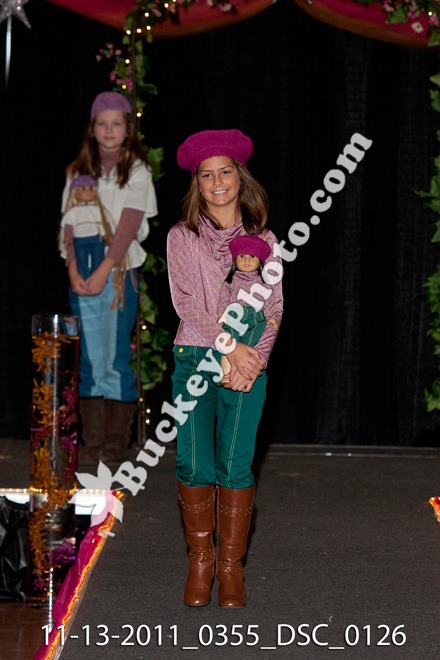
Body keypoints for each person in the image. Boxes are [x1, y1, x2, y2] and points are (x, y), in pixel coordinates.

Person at [167, 129, 283, 608]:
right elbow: (187, 304)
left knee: (235, 464)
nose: (217, 182)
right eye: (206, 175)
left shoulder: (266, 239)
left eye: (225, 172)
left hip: (247, 364)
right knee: (194, 462)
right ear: (197, 182)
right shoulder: (182, 236)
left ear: (240, 177)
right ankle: (201, 562)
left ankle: (231, 567)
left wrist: (254, 360)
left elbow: (274, 308)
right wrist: (229, 347)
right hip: (195, 357)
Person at [60, 91, 157, 463]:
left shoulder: (137, 171)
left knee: (115, 356)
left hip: (118, 269)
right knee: (88, 357)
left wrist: (105, 269)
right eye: (102, 123)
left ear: (128, 128)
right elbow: (68, 227)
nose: (109, 129)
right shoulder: (77, 172)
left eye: (117, 123)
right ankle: (92, 441)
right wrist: (73, 269)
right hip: (82, 269)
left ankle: (116, 442)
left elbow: (129, 224)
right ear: (92, 128)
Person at [217, 234, 279, 385]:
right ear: (235, 260)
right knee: (229, 345)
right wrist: (221, 313)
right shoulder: (231, 280)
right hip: (233, 315)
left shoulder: (264, 283)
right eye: (242, 256)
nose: (246, 260)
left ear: (260, 261)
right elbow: (223, 297)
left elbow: (269, 300)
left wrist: (271, 317)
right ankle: (226, 372)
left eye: (252, 256)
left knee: (251, 345)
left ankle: (243, 374)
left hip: (256, 318)